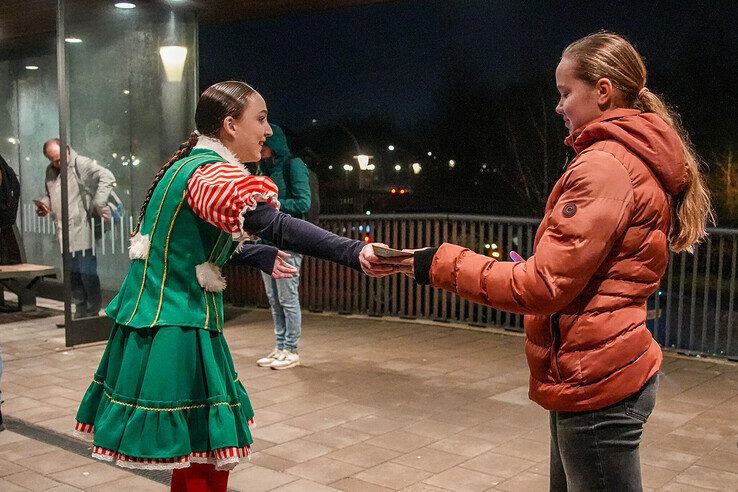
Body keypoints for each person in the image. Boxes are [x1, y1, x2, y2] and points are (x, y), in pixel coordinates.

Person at [375, 32, 713, 491]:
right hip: (597, 368)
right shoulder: (628, 159)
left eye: (565, 92)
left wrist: (438, 262)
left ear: (603, 91)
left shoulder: (605, 166)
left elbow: (543, 285)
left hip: (596, 380)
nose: (559, 106)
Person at [72, 81, 390, 491]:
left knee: (198, 452)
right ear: (229, 125)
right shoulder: (210, 173)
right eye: (260, 119)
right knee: (204, 453)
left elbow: (182, 245)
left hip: (158, 320)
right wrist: (354, 252)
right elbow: (271, 223)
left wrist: (256, 255)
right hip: (178, 326)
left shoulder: (185, 166)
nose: (269, 130)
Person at [254, 124, 311, 370]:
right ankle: (279, 347)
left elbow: (303, 202)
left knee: (288, 298)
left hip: (288, 242)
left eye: (264, 146)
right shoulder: (260, 169)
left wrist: (272, 204)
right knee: (273, 299)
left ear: (274, 144)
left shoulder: (293, 165)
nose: (260, 150)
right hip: (266, 243)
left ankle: (292, 350)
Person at [37, 140, 116, 318]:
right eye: (53, 160)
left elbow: (107, 176)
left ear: (66, 151)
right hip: (64, 231)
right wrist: (44, 204)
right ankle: (80, 310)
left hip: (82, 228)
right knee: (72, 274)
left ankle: (92, 310)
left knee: (87, 272)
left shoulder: (81, 163)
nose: (57, 164)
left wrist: (99, 202)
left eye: (59, 159)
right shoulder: (51, 171)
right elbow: (50, 194)